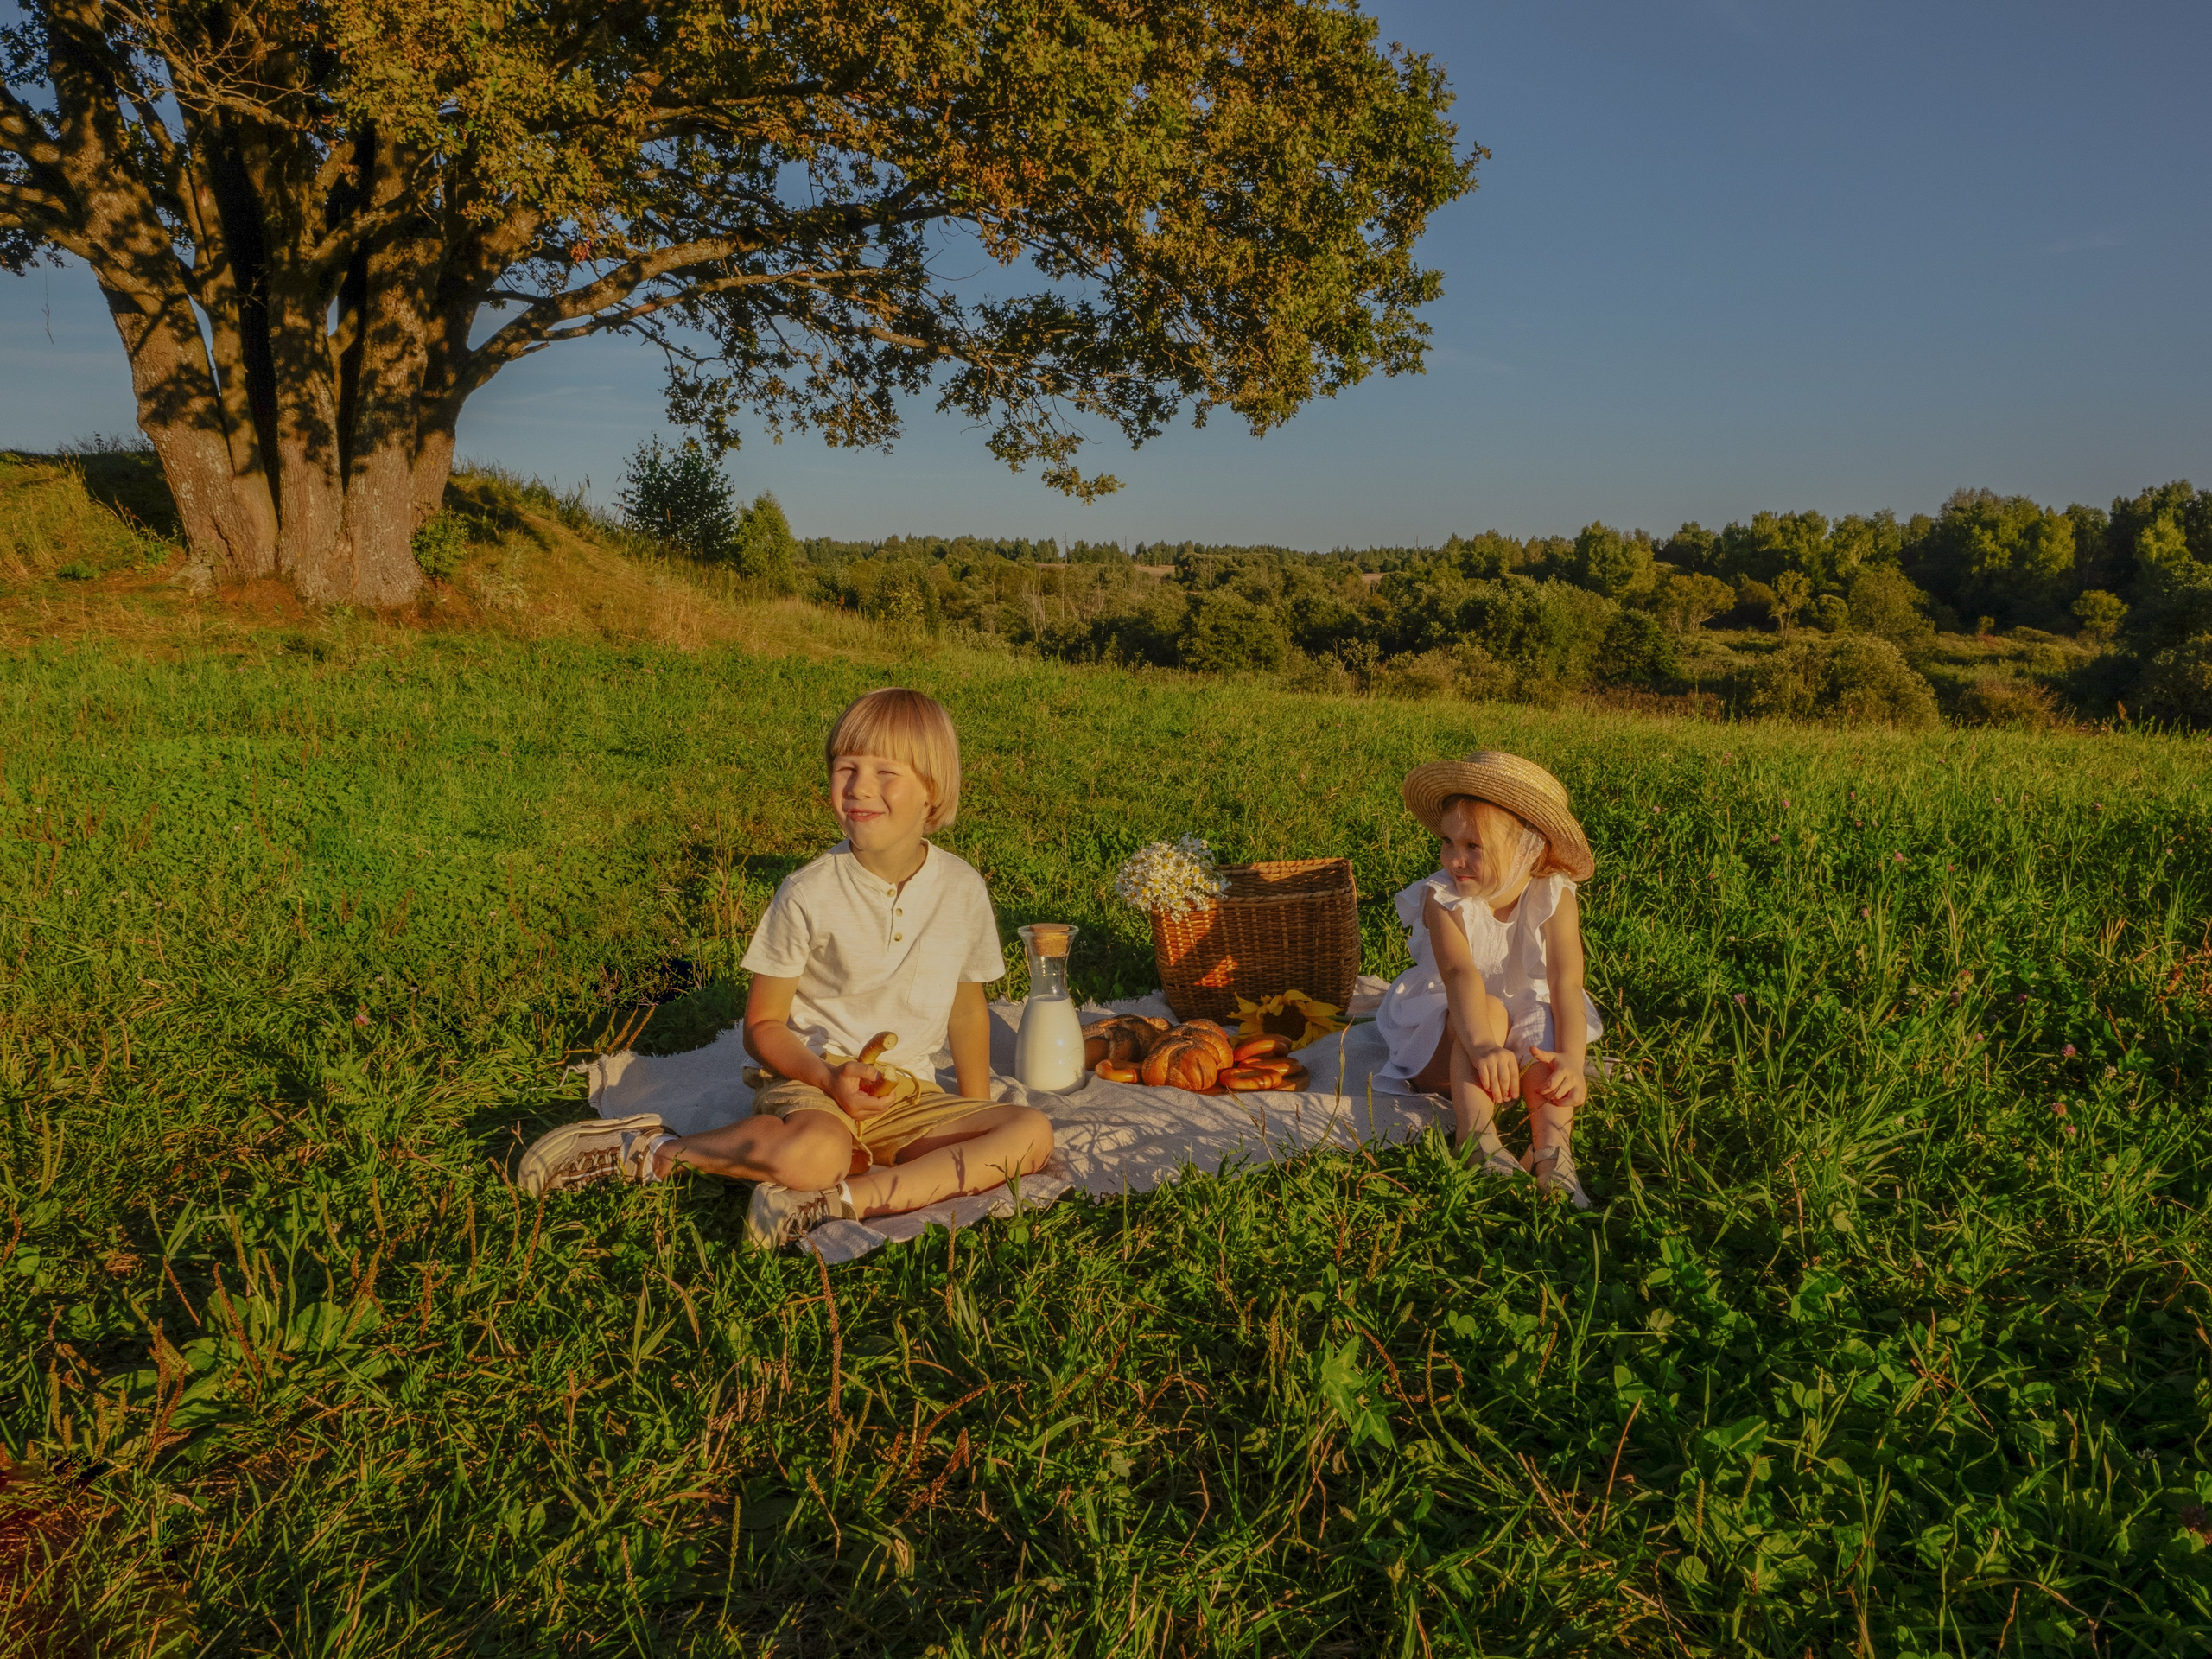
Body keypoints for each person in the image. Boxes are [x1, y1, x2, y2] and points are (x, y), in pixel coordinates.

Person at [518, 688, 1054, 1248]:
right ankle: (655, 1150)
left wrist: (977, 1110)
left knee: (1028, 1132)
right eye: (846, 767)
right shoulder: (808, 892)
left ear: (932, 791)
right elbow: (762, 1027)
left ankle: (840, 1201)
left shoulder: (962, 888)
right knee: (816, 1154)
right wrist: (827, 1080)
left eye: (884, 772)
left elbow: (967, 1013)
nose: (859, 787)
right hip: (812, 1081)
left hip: (904, 1092)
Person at [1374, 751, 1603, 1207]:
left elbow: (1565, 982)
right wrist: (1481, 1045)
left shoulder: (1554, 896)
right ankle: (1476, 1136)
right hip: (1448, 1039)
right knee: (1490, 1010)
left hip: (1512, 1051)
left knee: (1544, 1023)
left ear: (1527, 848)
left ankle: (1553, 1153)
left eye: (1473, 846)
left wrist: (1573, 1059)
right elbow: (1460, 976)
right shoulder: (1442, 900)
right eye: (1447, 843)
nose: (1455, 859)